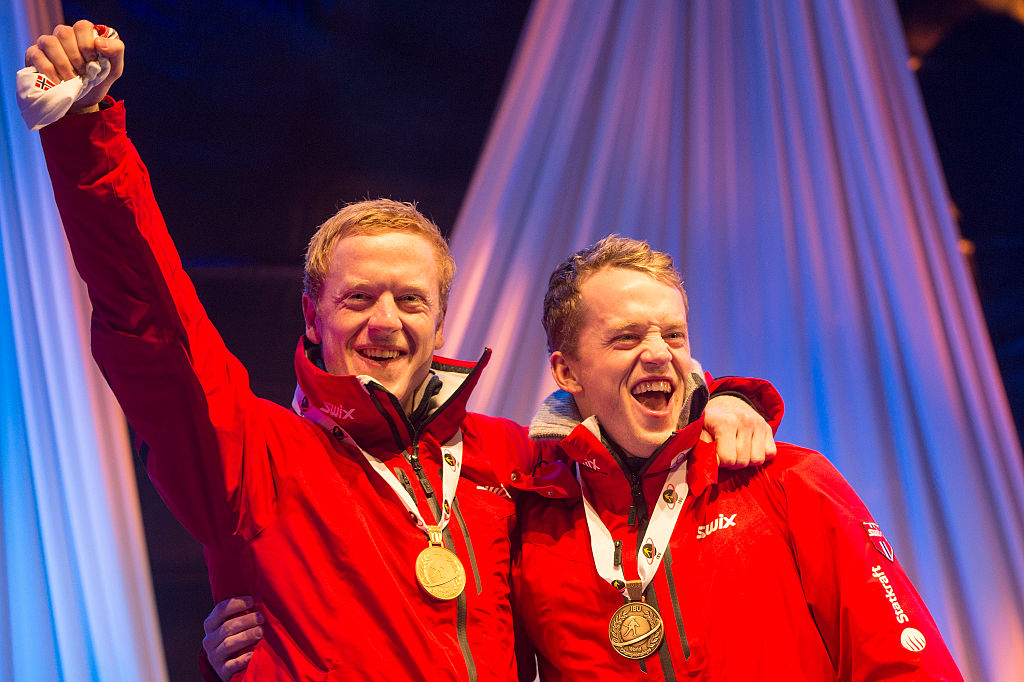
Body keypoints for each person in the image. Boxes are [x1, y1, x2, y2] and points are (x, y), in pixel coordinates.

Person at [23, 22, 780, 681]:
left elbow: (630, 471)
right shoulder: (254, 456)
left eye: (410, 300)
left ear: (442, 321)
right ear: (312, 315)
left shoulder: (509, 460)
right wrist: (86, 135)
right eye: (358, 298)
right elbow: (155, 329)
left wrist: (718, 397)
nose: (385, 320)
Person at [510, 236, 963, 680]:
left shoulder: (788, 480)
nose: (659, 354)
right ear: (566, 371)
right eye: (626, 338)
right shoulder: (535, 525)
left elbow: (906, 664)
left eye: (673, 334)